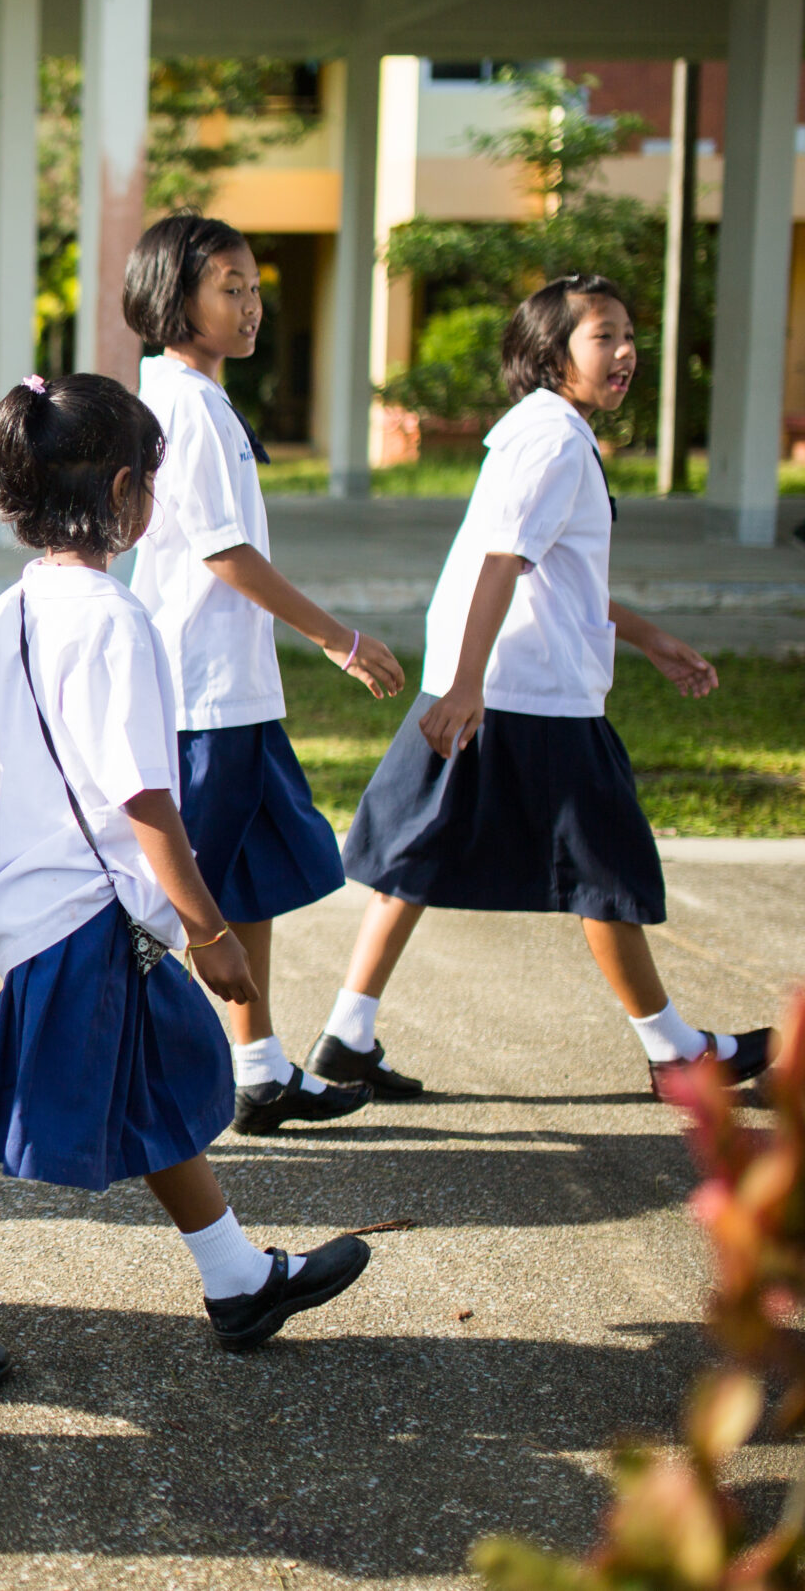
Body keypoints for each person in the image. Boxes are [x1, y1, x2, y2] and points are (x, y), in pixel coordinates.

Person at [0, 374, 374, 1390]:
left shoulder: (16, 607)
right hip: (81, 918)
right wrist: (211, 937)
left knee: (153, 1091)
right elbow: (146, 806)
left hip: (46, 912)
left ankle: (238, 1280)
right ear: (127, 490)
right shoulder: (116, 623)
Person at [321, 276, 770, 1098]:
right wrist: (464, 685)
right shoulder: (557, 439)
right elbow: (502, 562)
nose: (627, 350)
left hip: (496, 683)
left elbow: (555, 575)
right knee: (605, 872)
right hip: (526, 695)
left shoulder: (538, 432)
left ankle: (346, 1035)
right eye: (605, 336)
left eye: (630, 334)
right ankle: (674, 1051)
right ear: (550, 352)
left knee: (417, 861)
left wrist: (650, 637)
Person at [122, 214, 407, 1134]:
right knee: (162, 905)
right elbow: (224, 553)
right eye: (229, 290)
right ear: (177, 299)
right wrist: (340, 638)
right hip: (205, 695)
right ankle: (100, 1063)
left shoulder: (191, 395)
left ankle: (261, 1070)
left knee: (242, 882)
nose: (251, 307)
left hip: (231, 691)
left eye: (254, 289)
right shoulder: (191, 408)